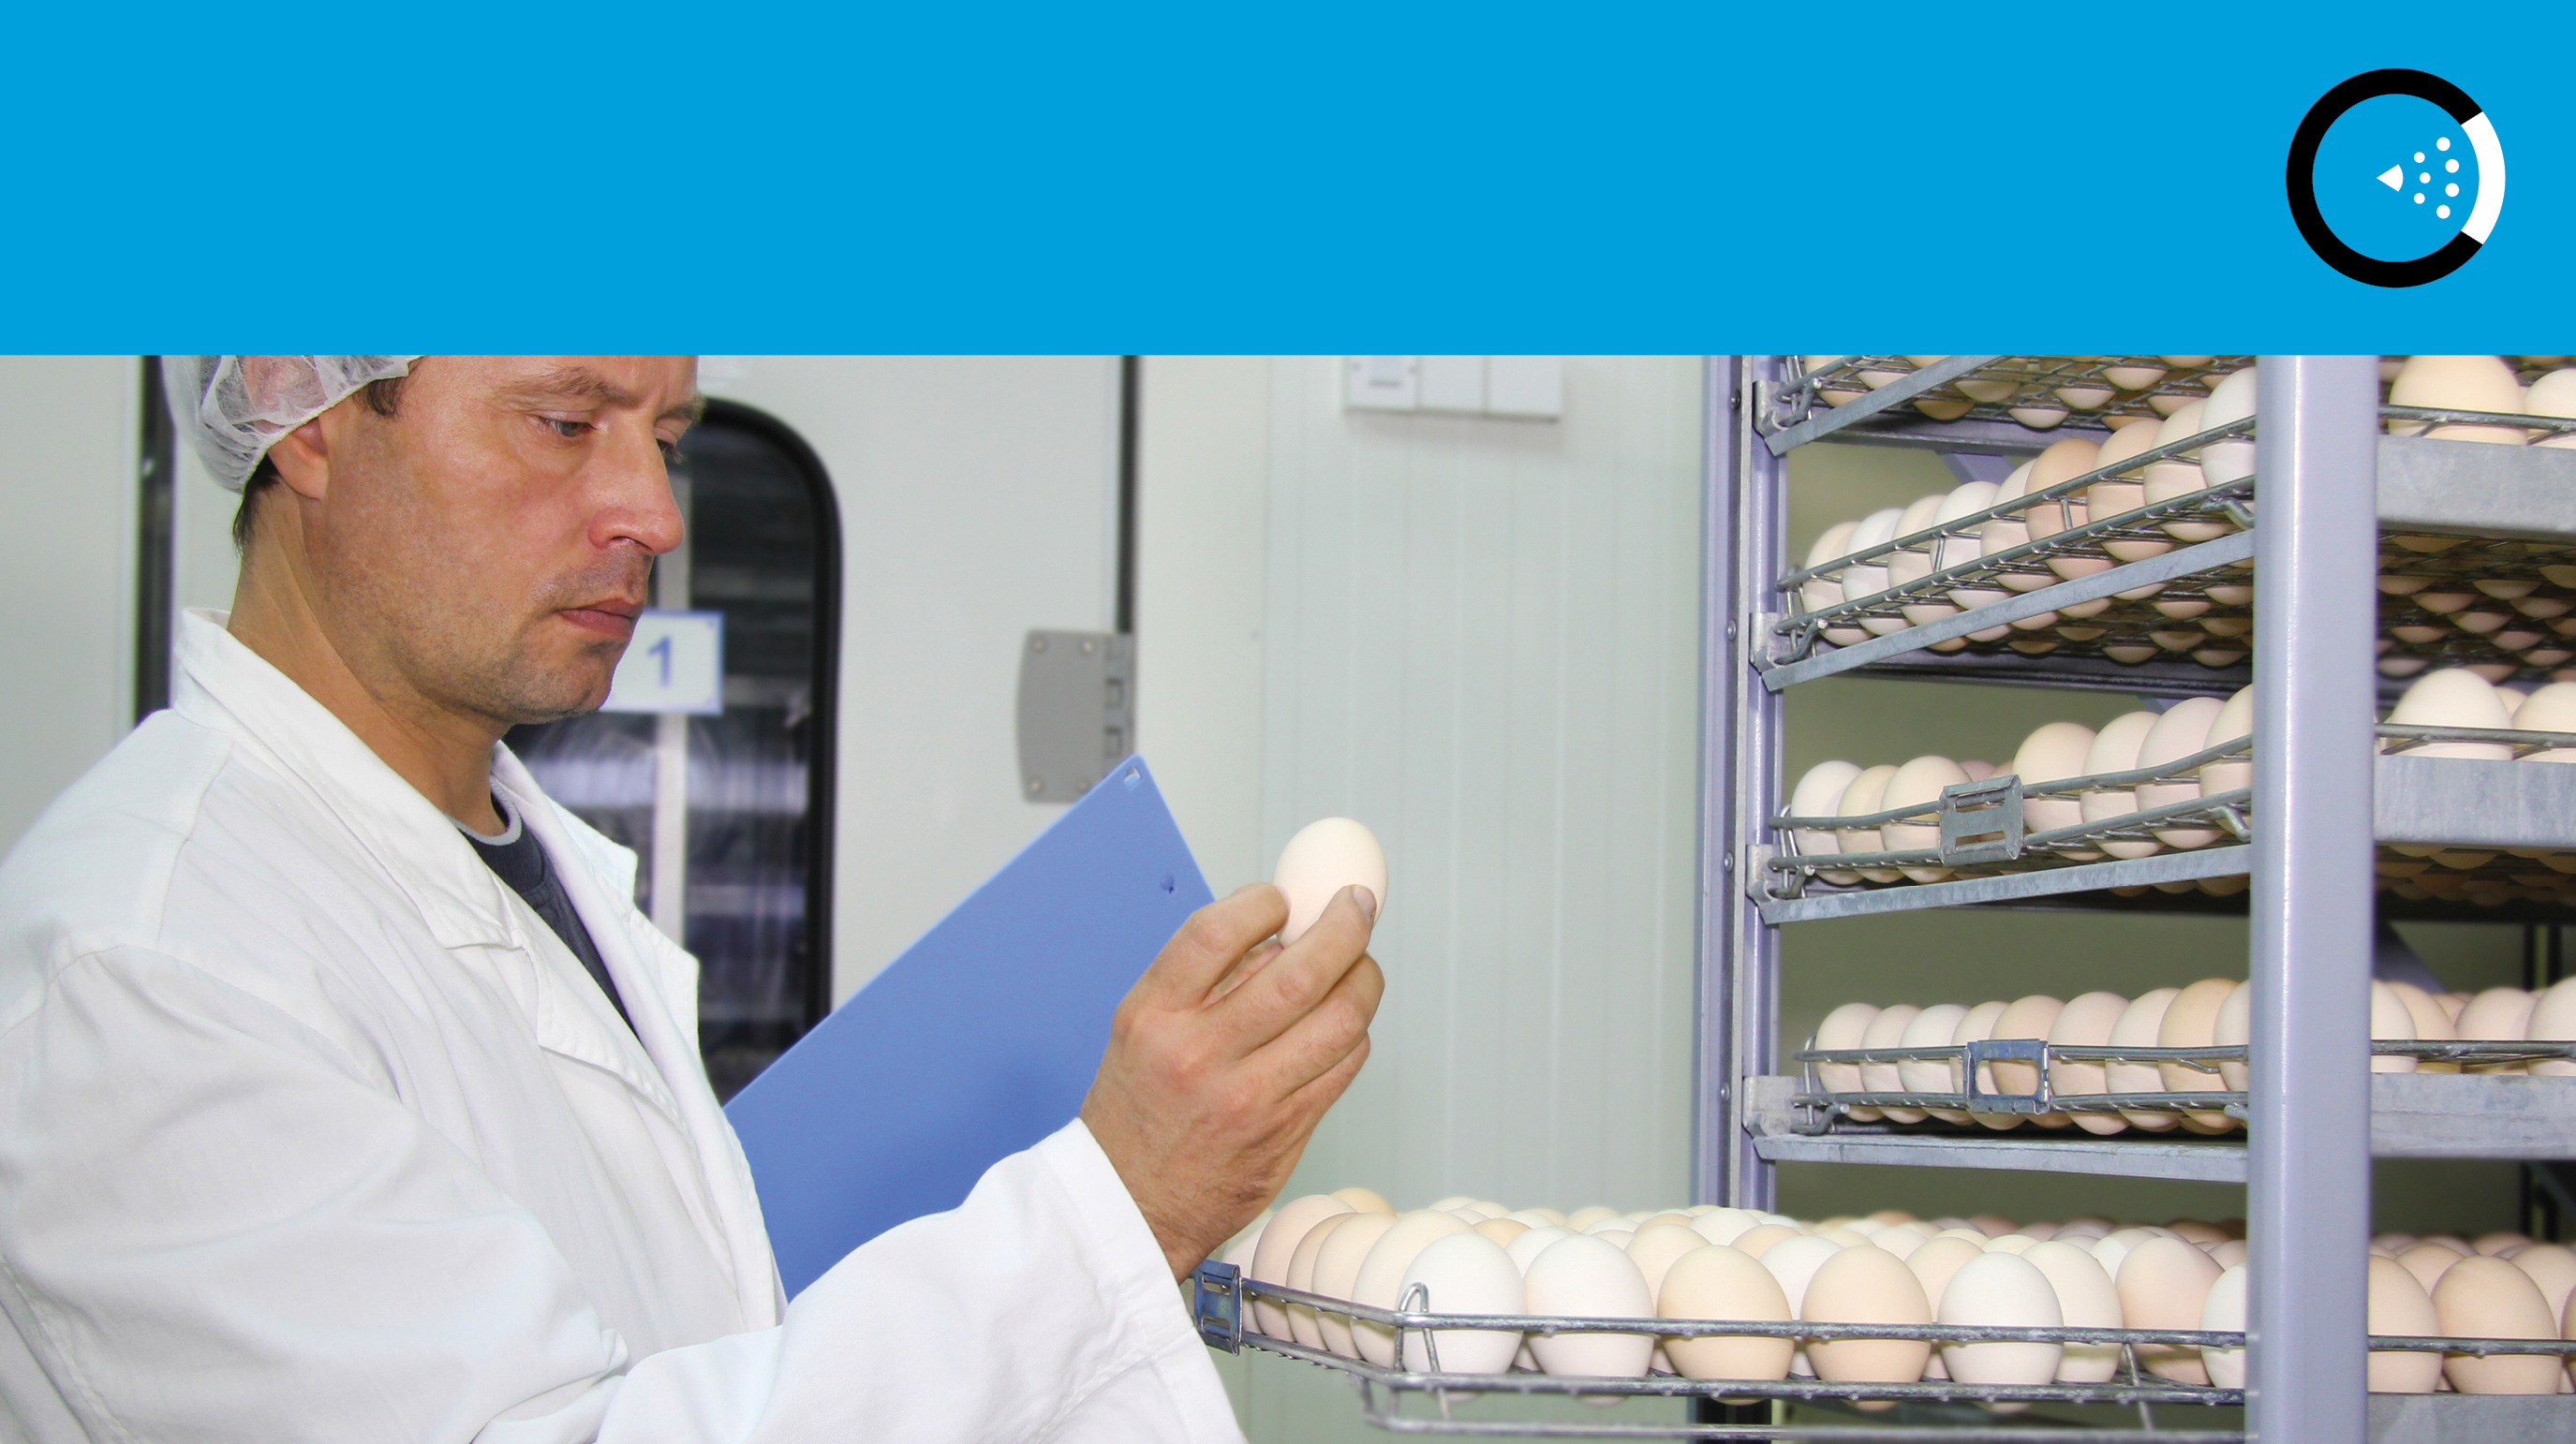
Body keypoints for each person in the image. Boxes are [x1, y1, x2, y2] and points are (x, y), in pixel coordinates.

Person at [0, 356, 1384, 1442]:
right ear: (303, 412)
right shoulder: (152, 964)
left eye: (663, 438)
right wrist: (1116, 1204)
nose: (655, 513)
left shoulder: (509, 858)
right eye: (561, 422)